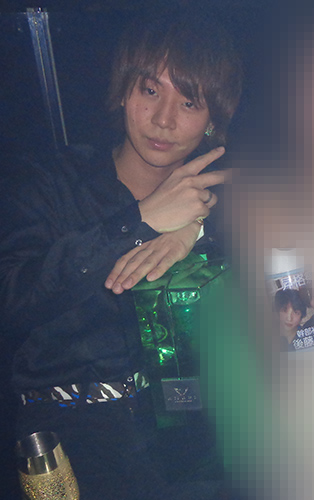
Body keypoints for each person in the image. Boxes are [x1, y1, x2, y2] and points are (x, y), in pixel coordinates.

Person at [0, 11, 242, 499]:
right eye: (150, 90)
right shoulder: (49, 183)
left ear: (214, 118)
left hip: (194, 450)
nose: (164, 119)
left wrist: (195, 226)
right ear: (124, 91)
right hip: (72, 450)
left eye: (189, 102)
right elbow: (12, 303)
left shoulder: (226, 207)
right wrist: (139, 220)